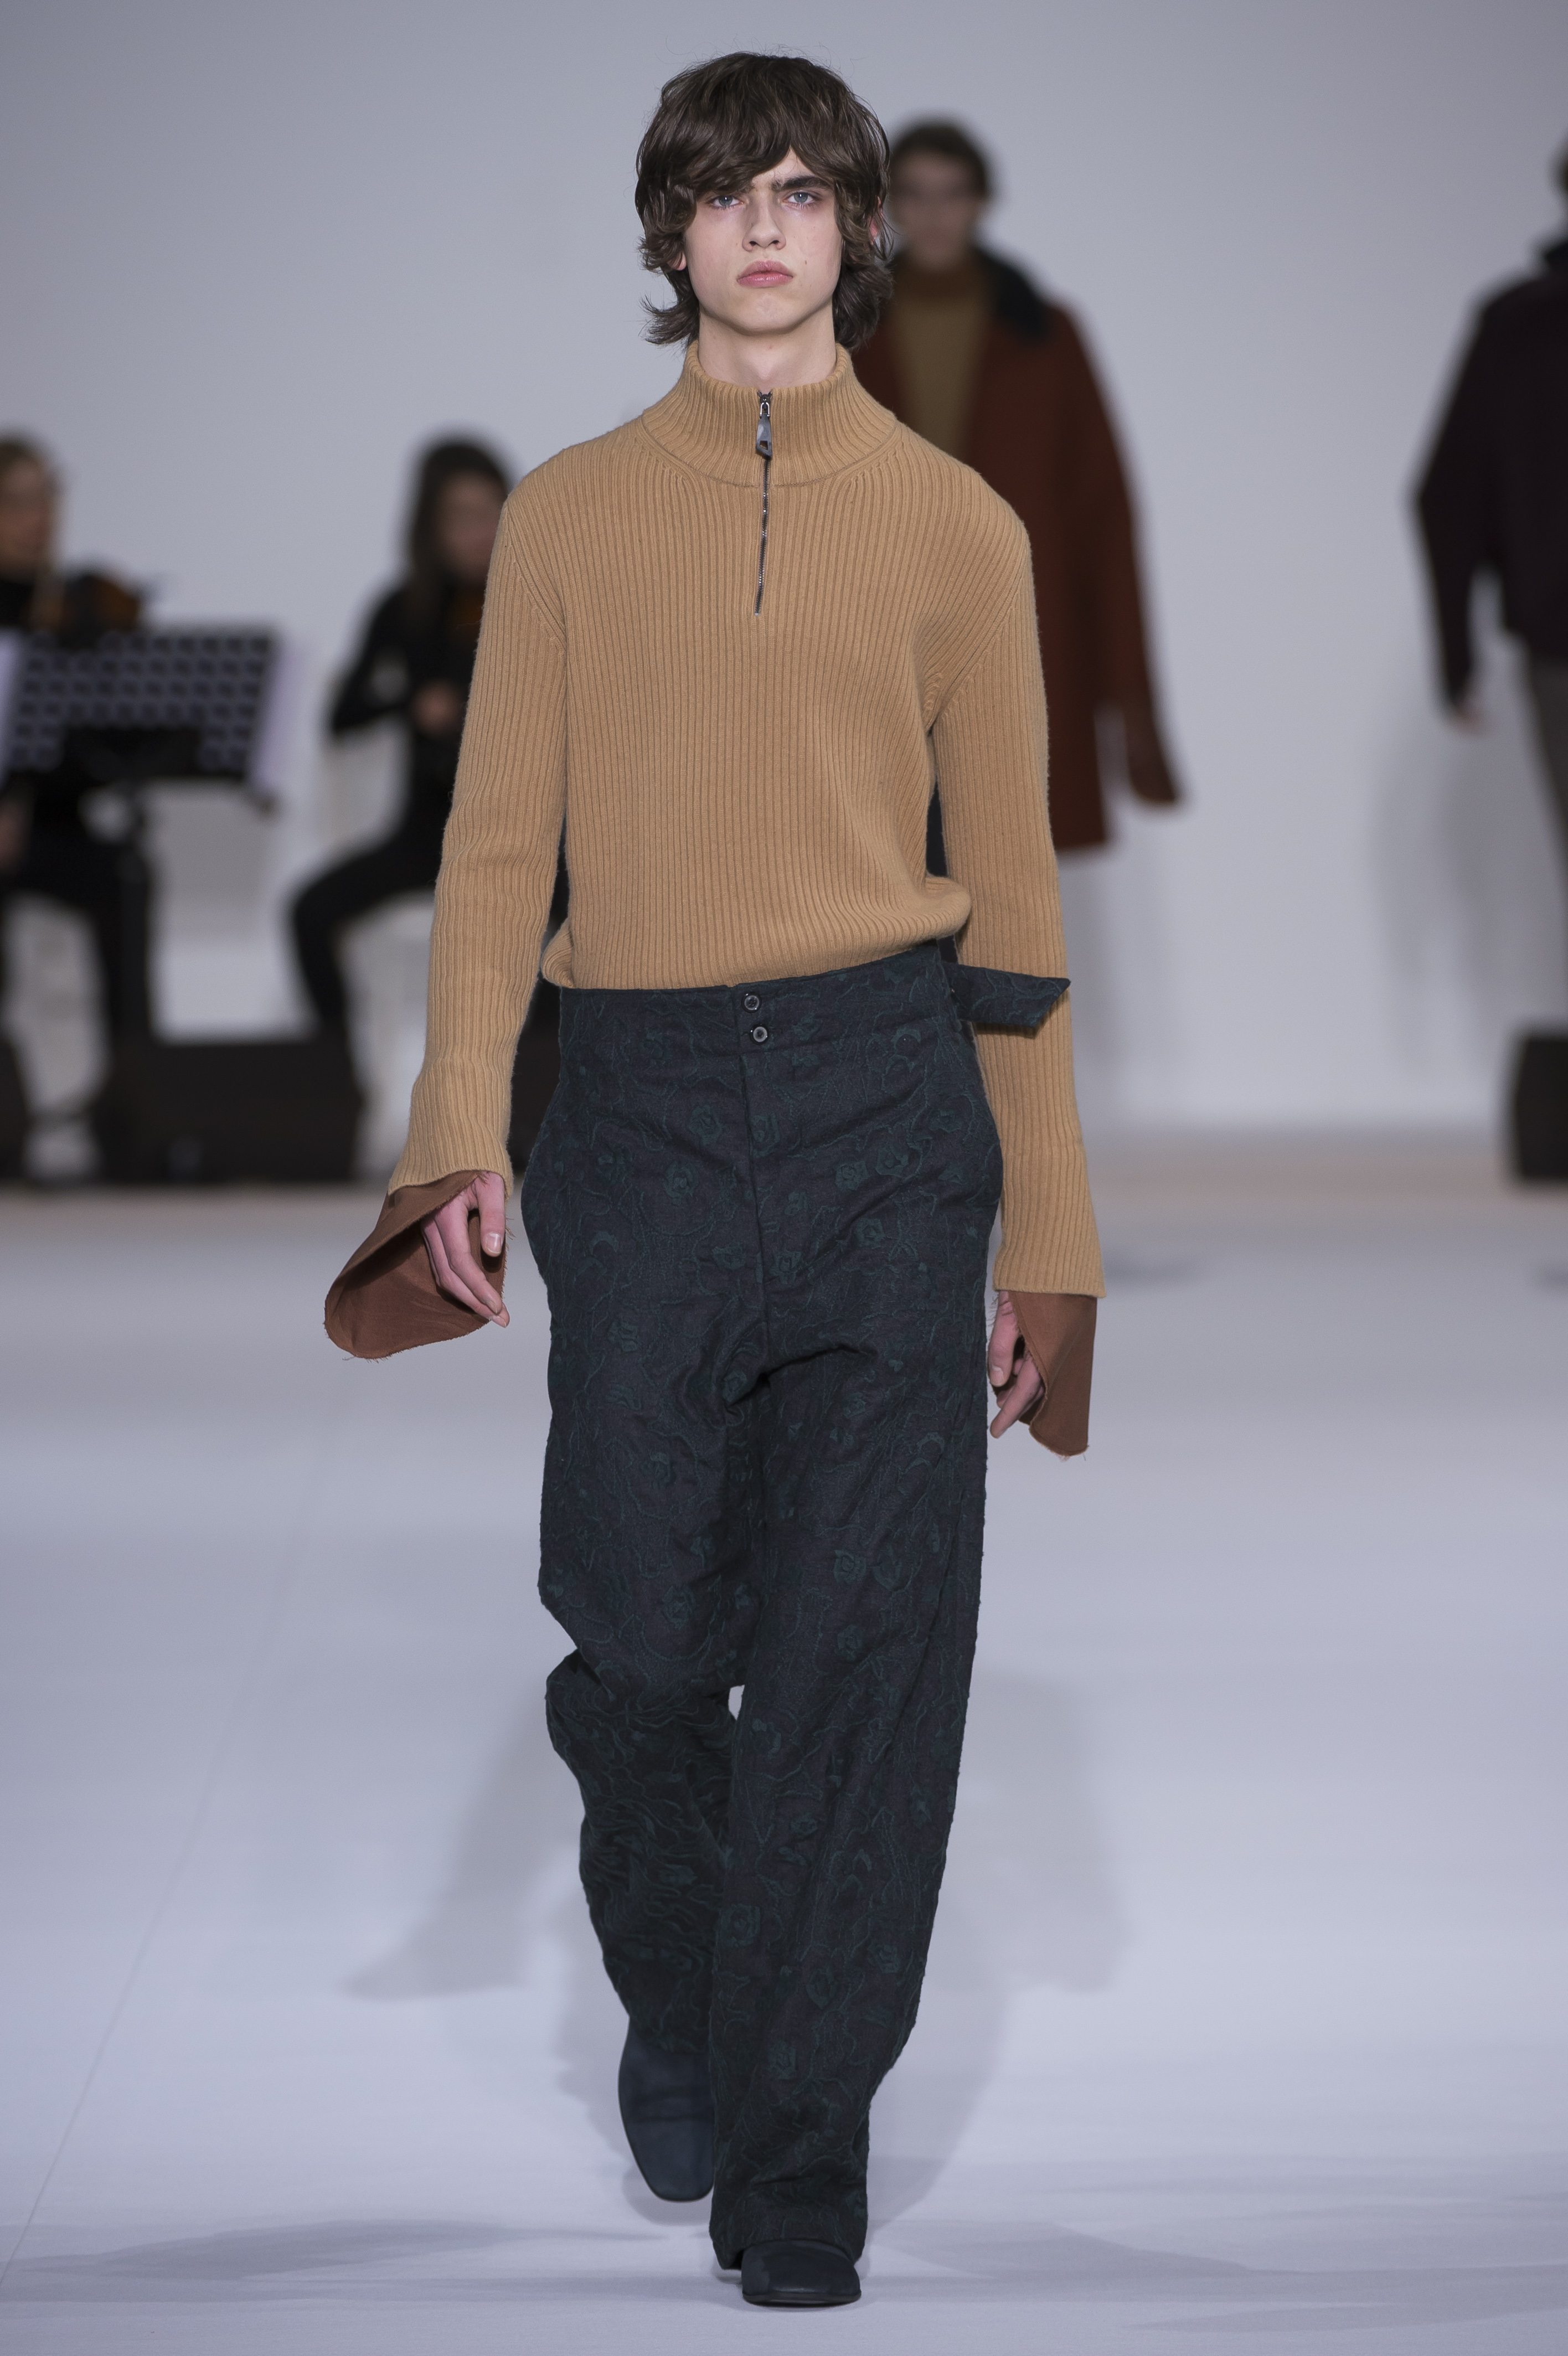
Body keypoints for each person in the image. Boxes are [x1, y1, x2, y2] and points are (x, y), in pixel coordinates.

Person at [324, 52, 1103, 2309]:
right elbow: (497, 853)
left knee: (869, 1654)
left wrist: (1047, 1234)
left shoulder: (958, 527)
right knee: (645, 1636)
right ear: (668, 236)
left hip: (886, 1109)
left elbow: (1018, 906)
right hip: (644, 1118)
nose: (764, 226)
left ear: (854, 227)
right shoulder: (568, 517)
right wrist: (458, 1130)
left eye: (801, 190)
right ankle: (685, 1981)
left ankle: (800, 2148)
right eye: (721, 192)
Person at [855, 120, 1181, 858]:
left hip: (1018, 619)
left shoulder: (1044, 332)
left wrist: (1129, 699)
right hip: (882, 621)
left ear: (981, 202)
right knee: (887, 847)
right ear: (889, 206)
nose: (935, 213)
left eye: (952, 194)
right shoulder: (848, 330)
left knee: (1003, 847)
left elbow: (1100, 508)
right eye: (916, 194)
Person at [289, 440, 513, 1035]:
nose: (480, 533)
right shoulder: (405, 612)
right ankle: (340, 1079)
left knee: (593, 910)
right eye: (461, 517)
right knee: (310, 911)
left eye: (491, 512)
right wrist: (410, 703)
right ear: (430, 527)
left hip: (524, 832)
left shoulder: (538, 599)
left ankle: (539, 1076)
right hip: (429, 834)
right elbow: (343, 714)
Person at [1417, 142, 1568, 888]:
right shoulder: (1518, 326)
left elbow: (1448, 493)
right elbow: (1450, 491)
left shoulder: (1516, 325)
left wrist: (1458, 654)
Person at [0, 435, 150, 1041]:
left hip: (57, 828)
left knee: (126, 875)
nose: (37, 518)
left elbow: (106, 749)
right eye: (17, 502)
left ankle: (133, 1068)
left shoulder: (80, 604)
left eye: (46, 497)